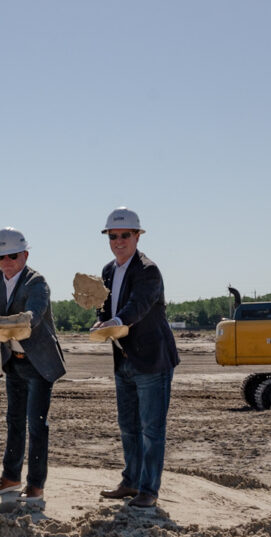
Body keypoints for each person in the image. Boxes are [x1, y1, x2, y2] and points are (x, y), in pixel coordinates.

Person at [93, 207, 180, 509]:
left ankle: (149, 490)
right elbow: (106, 308)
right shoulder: (108, 271)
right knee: (128, 426)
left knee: (152, 429)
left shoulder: (148, 271)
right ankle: (130, 482)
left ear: (137, 236)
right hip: (124, 360)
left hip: (152, 360)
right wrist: (101, 320)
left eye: (124, 235)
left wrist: (114, 322)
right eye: (113, 236)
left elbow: (137, 306)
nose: (118, 241)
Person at [0, 227, 66, 503]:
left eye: (12, 255)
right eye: (0, 257)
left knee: (36, 424)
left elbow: (34, 316)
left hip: (39, 363)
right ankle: (11, 477)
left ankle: (36, 485)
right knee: (14, 421)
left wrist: (4, 323)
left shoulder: (36, 282)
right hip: (13, 362)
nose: (6, 262)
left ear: (25, 255)